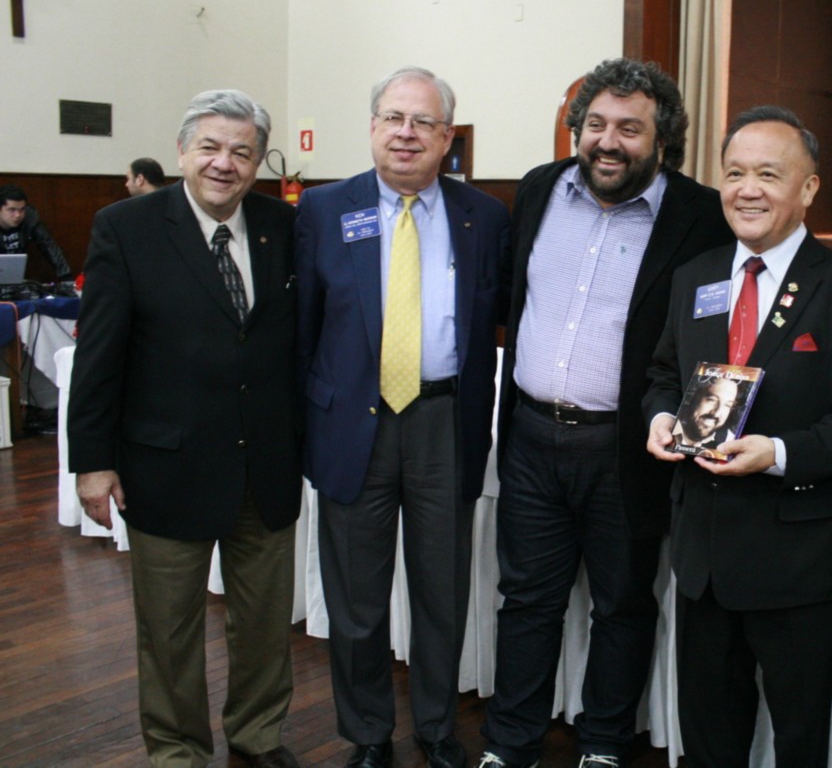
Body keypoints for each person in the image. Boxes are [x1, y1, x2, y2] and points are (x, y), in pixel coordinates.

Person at [480, 58, 732, 768]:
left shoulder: (700, 214)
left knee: (622, 604)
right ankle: (509, 744)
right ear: (576, 128)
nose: (608, 141)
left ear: (662, 139)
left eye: (629, 127)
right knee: (526, 600)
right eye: (595, 124)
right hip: (530, 437)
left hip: (627, 448)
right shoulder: (539, 188)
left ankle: (602, 744)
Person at [645, 105, 832, 767]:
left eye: (768, 175)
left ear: (809, 187)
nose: (746, 190)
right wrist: (660, 419)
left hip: (798, 560)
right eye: (734, 173)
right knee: (707, 738)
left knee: (799, 739)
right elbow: (663, 375)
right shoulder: (695, 276)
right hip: (702, 557)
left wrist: (777, 453)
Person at [68, 90, 302, 768]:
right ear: (181, 152)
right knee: (169, 630)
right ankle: (177, 750)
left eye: (242, 151)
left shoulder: (283, 226)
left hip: (265, 466)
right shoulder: (126, 227)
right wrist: (92, 462)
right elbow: (99, 357)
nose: (224, 163)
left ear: (259, 162)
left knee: (263, 624)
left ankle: (258, 735)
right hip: (166, 468)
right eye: (210, 147)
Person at [295, 66, 510, 768]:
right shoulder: (324, 209)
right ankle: (366, 735)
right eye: (394, 117)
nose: (406, 133)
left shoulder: (485, 217)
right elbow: (302, 330)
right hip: (352, 423)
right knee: (356, 599)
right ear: (372, 127)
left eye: (424, 122)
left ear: (447, 137)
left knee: (442, 591)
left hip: (444, 422)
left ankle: (438, 729)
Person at [0, 184, 73, 280]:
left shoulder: (30, 218)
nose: (18, 215)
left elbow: (49, 246)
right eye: (11, 210)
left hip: (18, 278)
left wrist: (67, 278)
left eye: (22, 209)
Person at [672, 376, 740, 451]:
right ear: (693, 396)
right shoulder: (669, 424)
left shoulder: (731, 441)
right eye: (712, 400)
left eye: (727, 405)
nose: (716, 413)